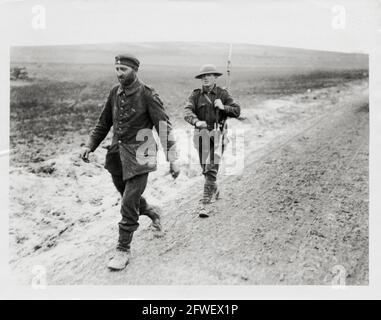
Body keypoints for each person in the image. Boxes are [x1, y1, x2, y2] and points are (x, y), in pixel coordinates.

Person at [81, 54, 180, 270]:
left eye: (123, 70)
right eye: (116, 69)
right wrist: (90, 145)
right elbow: (103, 122)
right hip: (117, 155)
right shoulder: (114, 93)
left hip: (142, 155)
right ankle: (152, 212)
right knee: (128, 197)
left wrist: (173, 159)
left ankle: (123, 249)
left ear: (134, 70)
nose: (118, 74)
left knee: (128, 202)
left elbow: (164, 128)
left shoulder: (147, 94)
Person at [184, 64, 240, 217]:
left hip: (218, 136)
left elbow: (237, 110)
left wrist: (224, 107)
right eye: (203, 76)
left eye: (209, 75)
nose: (205, 78)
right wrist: (196, 121)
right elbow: (187, 111)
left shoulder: (223, 94)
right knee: (205, 169)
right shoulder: (195, 95)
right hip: (201, 136)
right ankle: (213, 187)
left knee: (211, 169)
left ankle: (205, 204)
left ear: (215, 77)